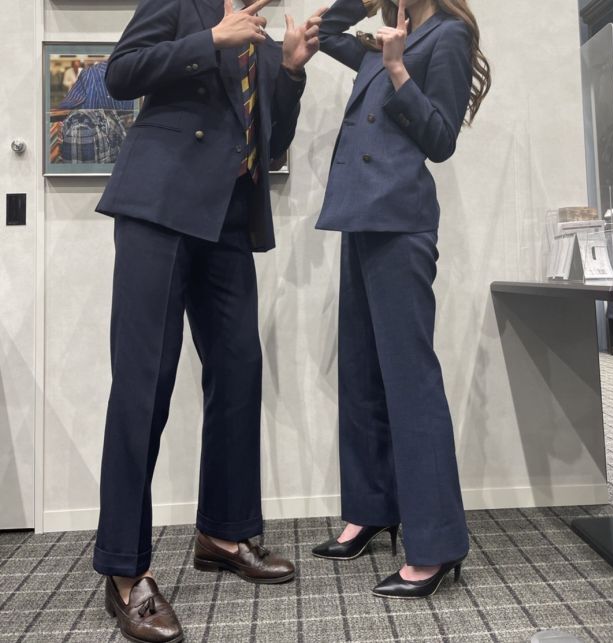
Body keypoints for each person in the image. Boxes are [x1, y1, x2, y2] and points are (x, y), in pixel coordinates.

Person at [92, 0, 324, 640]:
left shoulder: (262, 38)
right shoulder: (184, 4)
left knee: (240, 371)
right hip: (159, 207)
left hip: (226, 220)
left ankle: (222, 534)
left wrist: (291, 70)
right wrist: (212, 38)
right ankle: (124, 570)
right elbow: (121, 73)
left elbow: (272, 143)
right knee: (144, 385)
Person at [311, 0, 491, 599]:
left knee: (411, 383)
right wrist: (364, 7)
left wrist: (397, 68)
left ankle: (437, 546)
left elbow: (440, 140)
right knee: (360, 374)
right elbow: (325, 32)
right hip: (359, 215)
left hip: (401, 222)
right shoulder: (383, 34)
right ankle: (371, 511)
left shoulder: (447, 36)